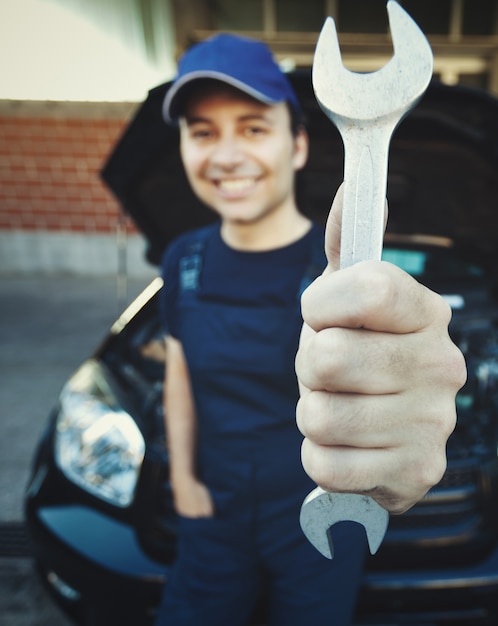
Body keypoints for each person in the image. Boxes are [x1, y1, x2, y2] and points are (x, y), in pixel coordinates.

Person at [155, 33, 465, 626]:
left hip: (322, 503)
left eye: (251, 127)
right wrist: (183, 481)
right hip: (212, 510)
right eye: (202, 132)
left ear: (297, 144)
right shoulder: (182, 260)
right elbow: (180, 375)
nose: (225, 155)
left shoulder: (348, 271)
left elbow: (397, 372)